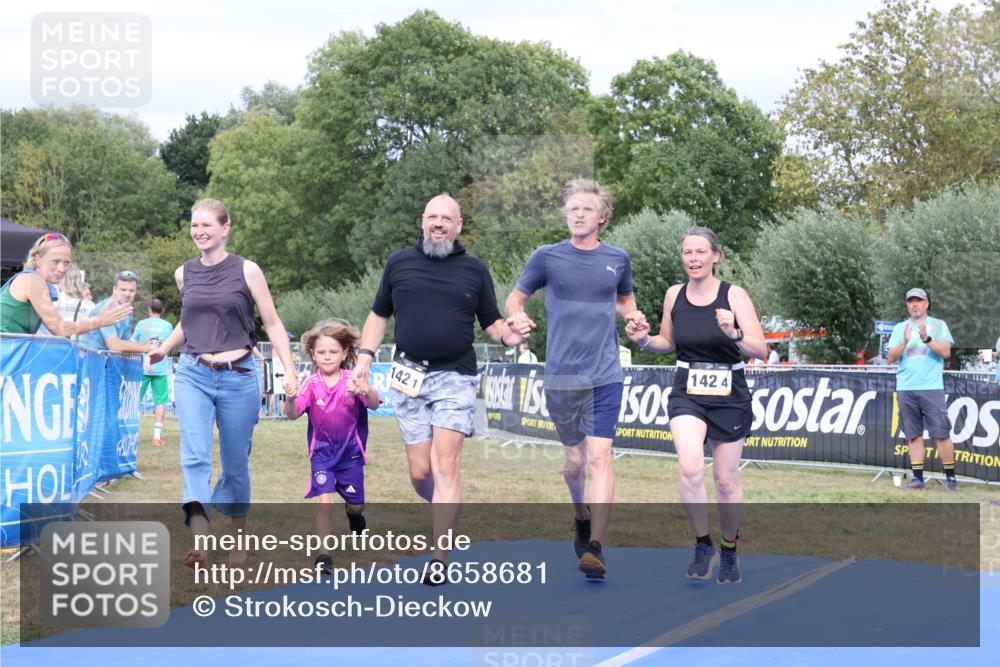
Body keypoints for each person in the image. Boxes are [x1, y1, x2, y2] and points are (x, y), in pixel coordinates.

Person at [351, 194, 533, 585]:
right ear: (422, 221)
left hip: (455, 376)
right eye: (432, 217)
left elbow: (492, 324)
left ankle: (440, 556)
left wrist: (509, 335)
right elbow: (378, 315)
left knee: (446, 465)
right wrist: (365, 357)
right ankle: (445, 512)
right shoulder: (398, 263)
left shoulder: (475, 270)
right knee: (420, 473)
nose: (438, 223)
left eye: (446, 218)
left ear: (459, 225)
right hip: (408, 378)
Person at [506, 178, 645, 580]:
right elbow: (517, 298)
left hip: (605, 372)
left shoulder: (617, 258)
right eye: (572, 209)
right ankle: (580, 514)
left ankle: (597, 547)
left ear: (602, 217)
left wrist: (632, 318)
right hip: (562, 376)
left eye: (586, 208)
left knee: (600, 457)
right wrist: (516, 315)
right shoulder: (546, 257)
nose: (578, 214)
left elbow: (624, 300)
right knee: (574, 463)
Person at [149, 198, 299, 567]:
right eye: (194, 226)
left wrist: (289, 369)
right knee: (195, 456)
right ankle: (200, 542)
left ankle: (238, 539)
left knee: (235, 464)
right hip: (193, 372)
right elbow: (191, 322)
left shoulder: (248, 271)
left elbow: (273, 322)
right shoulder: (184, 273)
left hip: (240, 376)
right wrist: (164, 348)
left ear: (225, 227)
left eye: (207, 226)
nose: (199, 232)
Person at [626, 227, 767, 584]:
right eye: (688, 252)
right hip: (687, 390)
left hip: (730, 395)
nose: (693, 258)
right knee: (690, 468)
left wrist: (734, 332)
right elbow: (667, 341)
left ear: (715, 256)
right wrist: (643, 340)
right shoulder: (675, 294)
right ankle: (703, 543)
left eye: (701, 252)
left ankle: (729, 548)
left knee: (725, 480)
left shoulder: (734, 296)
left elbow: (760, 350)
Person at [284, 319, 382, 574]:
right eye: (321, 352)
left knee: (355, 503)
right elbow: (293, 414)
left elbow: (374, 404)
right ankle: (323, 557)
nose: (327, 357)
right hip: (322, 457)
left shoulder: (353, 381)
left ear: (345, 353)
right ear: (313, 355)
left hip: (350, 457)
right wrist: (290, 397)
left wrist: (366, 389)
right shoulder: (310, 384)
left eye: (333, 352)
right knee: (323, 505)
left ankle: (355, 517)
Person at [886, 288, 957, 491]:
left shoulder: (939, 325)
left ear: (926, 303)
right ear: (907, 305)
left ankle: (951, 479)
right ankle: (917, 479)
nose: (914, 304)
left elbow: (945, 352)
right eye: (911, 301)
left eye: (919, 301)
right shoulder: (900, 328)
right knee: (913, 435)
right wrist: (905, 341)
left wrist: (927, 338)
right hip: (906, 388)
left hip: (931, 387)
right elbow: (891, 357)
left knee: (941, 434)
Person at [0, 233, 130, 336]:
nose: (62, 269)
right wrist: (99, 321)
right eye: (55, 261)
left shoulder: (31, 279)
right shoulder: (33, 281)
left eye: (66, 263)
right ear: (37, 259)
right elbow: (61, 329)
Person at [131, 298, 175, 446]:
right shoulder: (168, 325)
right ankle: (156, 437)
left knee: (134, 401)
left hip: (142, 367)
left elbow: (132, 343)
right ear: (162, 311)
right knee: (160, 402)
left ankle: (130, 434)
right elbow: (170, 345)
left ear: (149, 310)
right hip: (161, 367)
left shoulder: (141, 324)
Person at [81, 271, 155, 355]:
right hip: (88, 359)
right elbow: (114, 345)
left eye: (131, 291)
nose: (127, 294)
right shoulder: (106, 308)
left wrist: (148, 343)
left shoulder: (127, 310)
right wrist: (145, 348)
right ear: (114, 290)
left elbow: (125, 342)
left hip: (104, 360)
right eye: (123, 290)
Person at [53, 263, 95, 336]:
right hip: (76, 346)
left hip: (48, 344)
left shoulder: (49, 301)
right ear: (78, 280)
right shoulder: (89, 305)